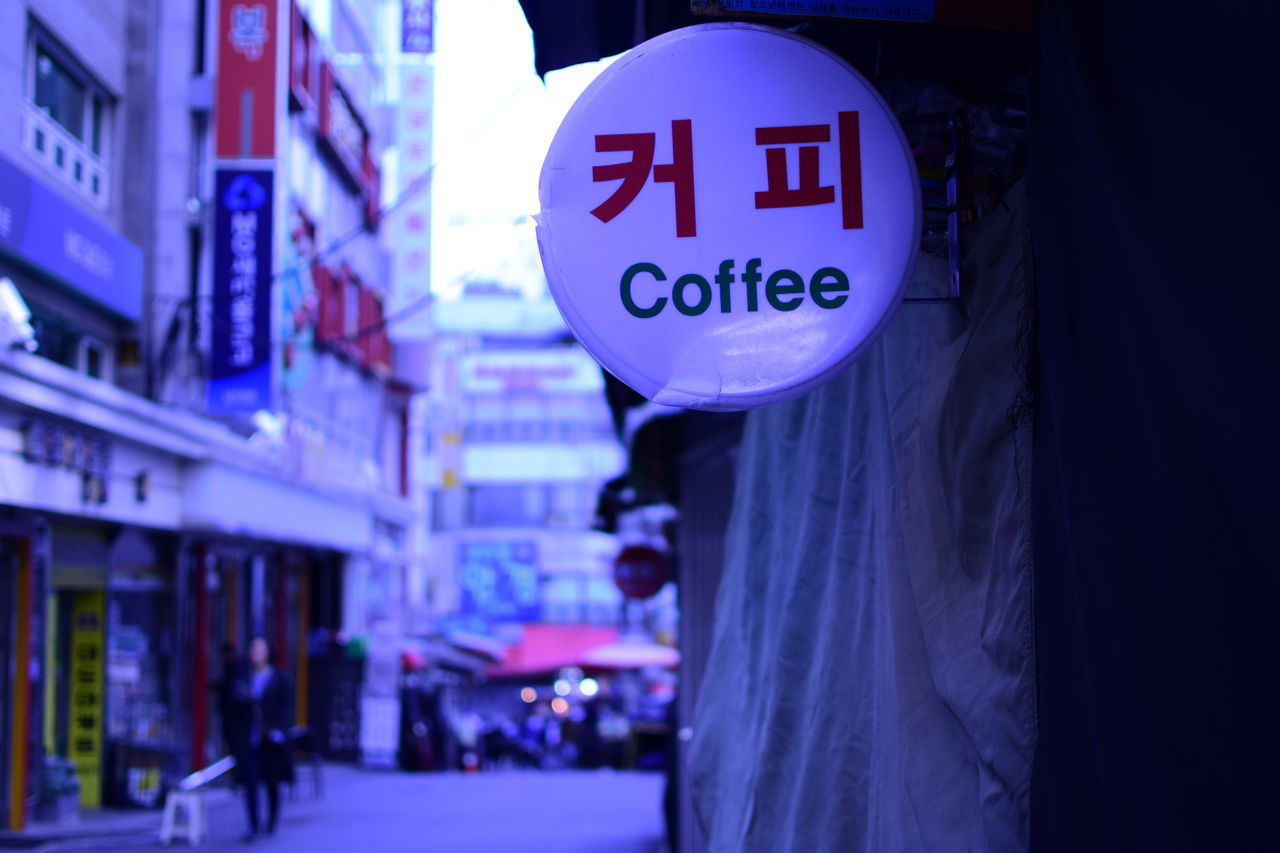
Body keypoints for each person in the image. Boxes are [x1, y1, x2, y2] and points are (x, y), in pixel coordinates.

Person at [235, 635, 292, 842]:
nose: (256, 654)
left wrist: (279, 730)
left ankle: (271, 821)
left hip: (270, 738)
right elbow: (233, 707)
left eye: (260, 649)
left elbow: (286, 707)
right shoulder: (244, 677)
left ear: (268, 652)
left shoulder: (278, 677)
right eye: (253, 649)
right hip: (250, 739)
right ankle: (253, 824)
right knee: (250, 782)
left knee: (271, 782)